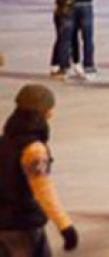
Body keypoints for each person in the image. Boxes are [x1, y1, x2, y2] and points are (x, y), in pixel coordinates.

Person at [0, 85, 77, 256]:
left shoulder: (5, 140)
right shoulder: (34, 150)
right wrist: (65, 226)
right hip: (23, 226)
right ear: (45, 112)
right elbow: (44, 191)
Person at [47, 0, 100, 81]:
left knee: (66, 37)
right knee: (87, 37)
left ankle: (64, 67)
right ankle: (89, 66)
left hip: (68, 6)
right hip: (86, 5)